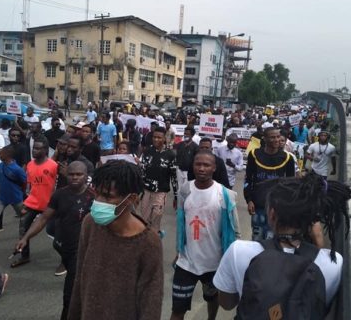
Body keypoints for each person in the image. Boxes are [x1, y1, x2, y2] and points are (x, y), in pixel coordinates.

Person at [213, 174, 351, 318]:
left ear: (272, 214)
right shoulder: (333, 263)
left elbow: (227, 303)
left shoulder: (238, 251)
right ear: (312, 219)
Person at [67, 161, 163, 320]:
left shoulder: (149, 242)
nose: (98, 201)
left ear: (131, 199)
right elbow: (80, 280)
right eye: (96, 194)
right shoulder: (90, 223)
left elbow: (151, 301)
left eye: (107, 196)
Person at [16, 161, 94, 320]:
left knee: (69, 295)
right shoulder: (59, 194)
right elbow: (44, 218)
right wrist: (26, 237)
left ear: (86, 176)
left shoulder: (93, 196)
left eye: (79, 174)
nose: (74, 177)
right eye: (71, 174)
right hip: (61, 245)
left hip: (79, 252)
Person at [171, 150, 240, 320]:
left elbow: (235, 230)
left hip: (214, 264)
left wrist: (230, 260)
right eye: (198, 164)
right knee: (177, 310)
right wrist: (178, 251)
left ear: (214, 168)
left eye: (206, 165)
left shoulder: (225, 195)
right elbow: (181, 224)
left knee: (212, 299)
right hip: (186, 263)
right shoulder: (185, 191)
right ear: (193, 166)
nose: (201, 168)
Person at [10, 136, 58, 267]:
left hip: (50, 205)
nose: (34, 151)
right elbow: (31, 186)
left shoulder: (53, 165)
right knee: (23, 228)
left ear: (46, 150)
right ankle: (24, 255)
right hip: (33, 203)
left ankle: (67, 259)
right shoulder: (30, 165)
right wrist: (26, 201)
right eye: (33, 148)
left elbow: (58, 186)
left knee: (58, 232)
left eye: (38, 148)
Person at [244, 127, 295, 240]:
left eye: (278, 136)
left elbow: (291, 184)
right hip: (258, 204)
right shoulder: (254, 154)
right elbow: (248, 179)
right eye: (272, 137)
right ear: (265, 139)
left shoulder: (287, 158)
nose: (277, 140)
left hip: (277, 206)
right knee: (256, 238)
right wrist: (249, 200)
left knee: (271, 239)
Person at [140, 126, 177, 233]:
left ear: (164, 138)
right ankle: (144, 240)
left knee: (156, 216)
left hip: (161, 192)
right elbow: (142, 172)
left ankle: (155, 239)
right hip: (146, 191)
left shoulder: (170, 155)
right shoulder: (147, 151)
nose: (156, 139)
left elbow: (174, 177)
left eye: (159, 137)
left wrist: (176, 196)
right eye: (154, 137)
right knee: (144, 219)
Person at [0, 146, 26, 250]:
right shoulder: (1, 165)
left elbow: (24, 182)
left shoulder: (17, 169)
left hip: (16, 198)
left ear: (8, 156)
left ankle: (24, 238)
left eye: (1, 154)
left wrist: (22, 192)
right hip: (1, 197)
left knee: (24, 218)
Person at [175, 127, 199, 192]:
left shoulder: (195, 147)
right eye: (185, 133)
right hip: (179, 170)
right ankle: (179, 201)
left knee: (187, 190)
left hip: (188, 172)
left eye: (188, 134)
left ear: (192, 135)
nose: (186, 135)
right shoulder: (180, 144)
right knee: (179, 189)